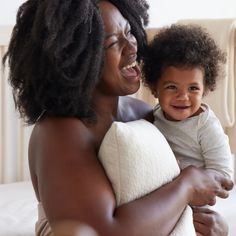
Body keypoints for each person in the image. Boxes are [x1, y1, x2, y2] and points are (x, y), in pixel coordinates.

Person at [3, 1, 233, 235]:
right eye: (114, 42)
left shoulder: (142, 114)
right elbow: (103, 230)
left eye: (129, 32)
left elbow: (164, 194)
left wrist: (209, 224)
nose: (132, 46)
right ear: (76, 58)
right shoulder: (60, 131)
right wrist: (188, 184)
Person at [142, 24, 233, 180]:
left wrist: (188, 178)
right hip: (166, 191)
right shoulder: (154, 116)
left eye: (193, 88)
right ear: (154, 88)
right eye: (172, 87)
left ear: (204, 89)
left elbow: (224, 174)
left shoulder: (206, 126)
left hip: (198, 194)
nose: (183, 97)